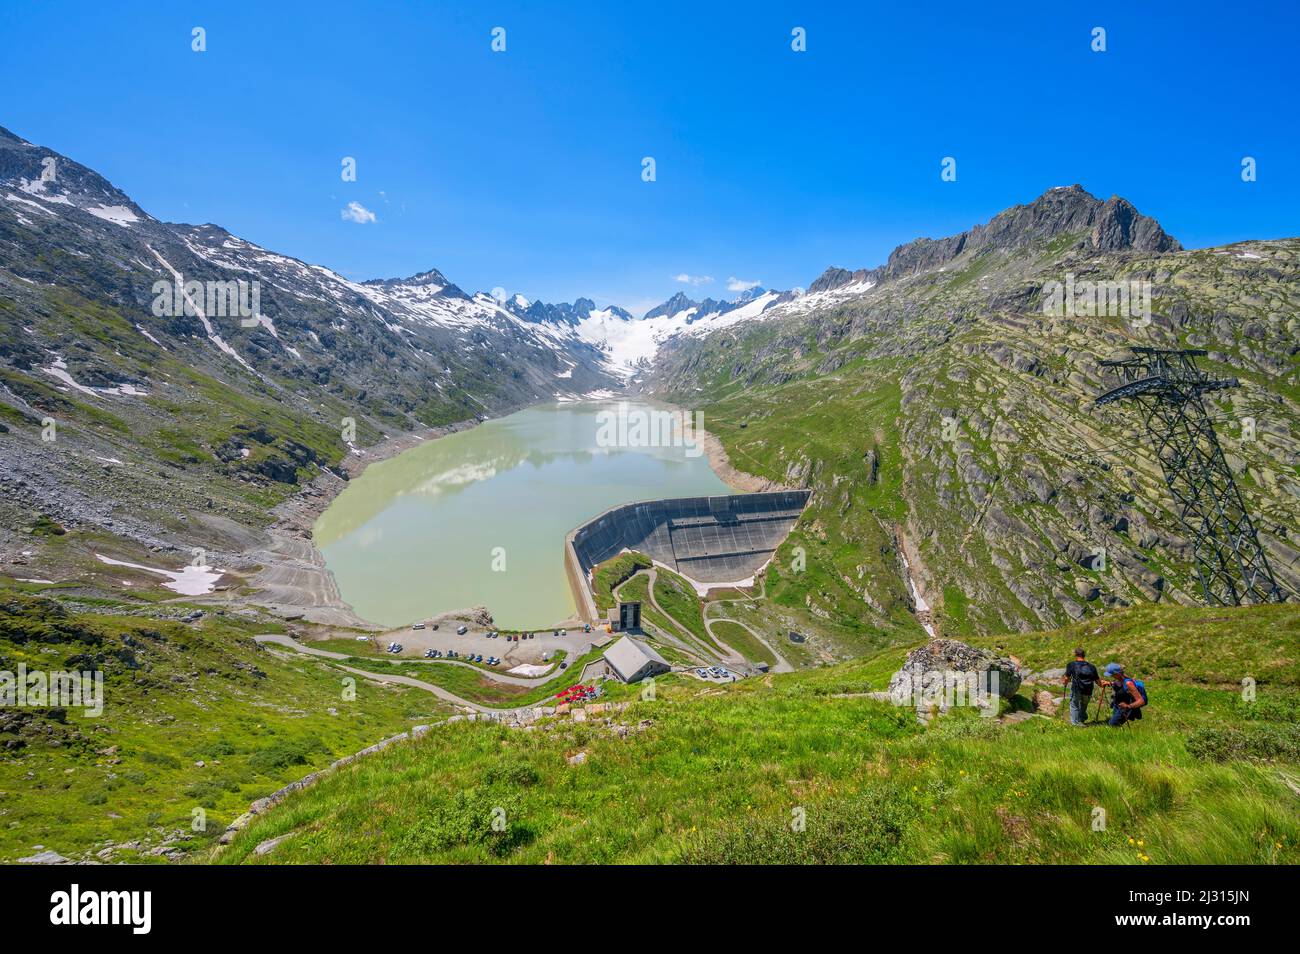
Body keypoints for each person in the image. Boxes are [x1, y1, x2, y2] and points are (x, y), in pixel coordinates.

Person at [1062, 648, 1099, 725]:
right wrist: (1103, 685)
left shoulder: (1071, 664)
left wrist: (1065, 683)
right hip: (1088, 689)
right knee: (1084, 705)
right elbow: (1097, 681)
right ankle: (1081, 720)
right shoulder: (1092, 667)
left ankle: (1075, 724)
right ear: (1084, 655)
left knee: (1074, 705)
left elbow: (1066, 678)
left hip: (1077, 689)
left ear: (1075, 655)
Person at [1102, 663, 1145, 727]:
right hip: (1118, 706)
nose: (1111, 676)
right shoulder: (1118, 680)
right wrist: (1109, 683)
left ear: (1117, 674)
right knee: (1115, 724)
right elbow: (1118, 685)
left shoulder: (1128, 683)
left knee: (1112, 725)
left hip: (1126, 708)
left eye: (1112, 675)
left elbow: (1141, 701)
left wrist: (1128, 706)